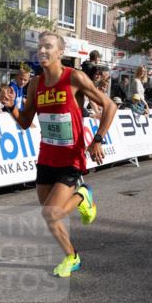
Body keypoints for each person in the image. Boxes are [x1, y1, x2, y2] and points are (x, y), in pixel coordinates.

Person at [15, 32, 116, 278]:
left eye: (48, 46)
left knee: (51, 213)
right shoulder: (35, 84)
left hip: (71, 157)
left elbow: (110, 105)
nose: (42, 50)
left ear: (61, 52)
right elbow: (25, 122)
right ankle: (72, 257)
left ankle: (82, 195)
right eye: (40, 46)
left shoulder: (74, 78)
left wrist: (98, 139)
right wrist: (11, 108)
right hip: (46, 157)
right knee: (50, 217)